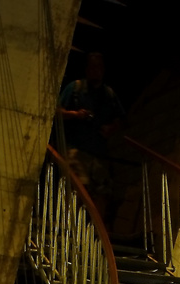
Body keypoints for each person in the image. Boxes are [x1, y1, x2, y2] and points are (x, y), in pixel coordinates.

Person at [57, 52, 124, 224]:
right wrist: (76, 115)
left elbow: (119, 119)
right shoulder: (75, 88)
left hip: (99, 153)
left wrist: (110, 128)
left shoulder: (108, 94)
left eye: (99, 67)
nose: (96, 71)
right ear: (87, 69)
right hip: (76, 148)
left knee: (103, 191)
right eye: (93, 67)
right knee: (78, 188)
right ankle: (70, 226)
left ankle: (96, 231)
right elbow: (58, 111)